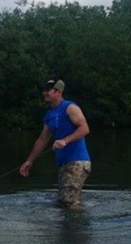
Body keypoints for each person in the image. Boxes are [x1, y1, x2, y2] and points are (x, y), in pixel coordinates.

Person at [19, 79, 91, 209]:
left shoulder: (70, 107)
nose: (44, 93)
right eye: (44, 90)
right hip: (64, 164)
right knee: (68, 201)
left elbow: (85, 128)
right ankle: (75, 227)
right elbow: (42, 139)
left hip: (77, 162)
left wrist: (65, 140)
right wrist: (29, 161)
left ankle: (75, 229)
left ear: (58, 92)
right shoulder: (50, 114)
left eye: (48, 90)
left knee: (68, 202)